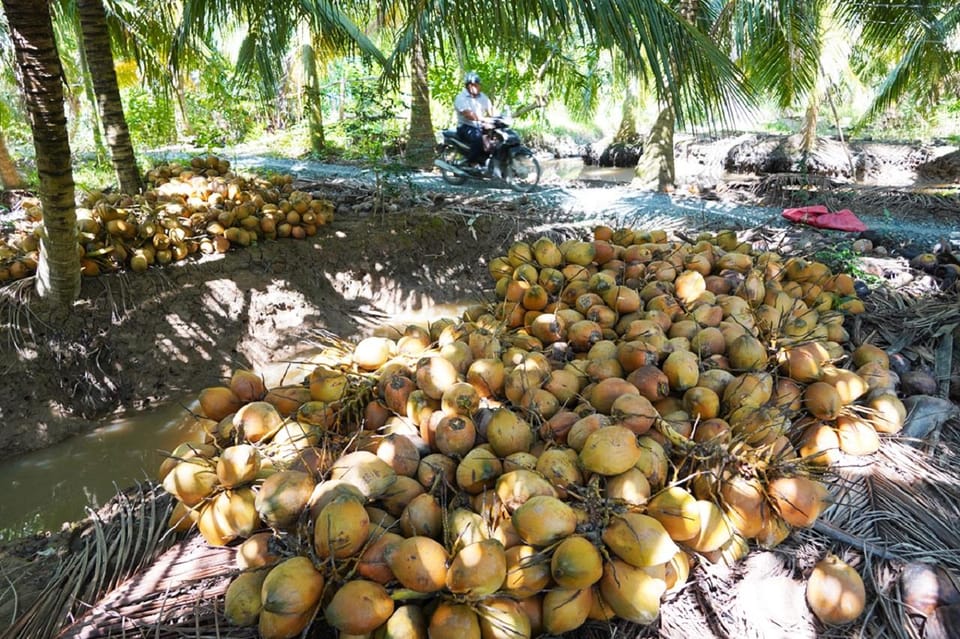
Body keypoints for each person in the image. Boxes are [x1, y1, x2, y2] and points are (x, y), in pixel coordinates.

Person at [454, 71, 496, 168]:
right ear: (469, 86)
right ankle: (472, 162)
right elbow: (468, 114)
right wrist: (483, 119)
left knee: (495, 139)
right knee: (478, 137)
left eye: (478, 85)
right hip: (465, 127)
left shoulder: (482, 96)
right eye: (475, 85)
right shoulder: (461, 98)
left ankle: (486, 162)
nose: (478, 87)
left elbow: (491, 109)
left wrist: (498, 118)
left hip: (479, 126)